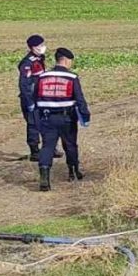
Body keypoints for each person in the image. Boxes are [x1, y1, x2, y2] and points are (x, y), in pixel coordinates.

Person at [33, 48, 90, 191]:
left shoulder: (42, 77)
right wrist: (85, 116)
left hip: (46, 117)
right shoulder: (72, 77)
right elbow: (79, 99)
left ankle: (44, 178)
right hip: (67, 117)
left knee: (47, 147)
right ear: (65, 60)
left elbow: (35, 97)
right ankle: (73, 171)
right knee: (70, 145)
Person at [18, 34, 59, 161]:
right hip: (31, 98)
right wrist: (29, 102)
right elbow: (24, 84)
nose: (42, 47)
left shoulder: (39, 59)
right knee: (33, 125)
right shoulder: (27, 63)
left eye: (43, 44)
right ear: (32, 48)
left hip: (41, 96)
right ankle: (34, 151)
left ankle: (50, 148)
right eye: (39, 46)